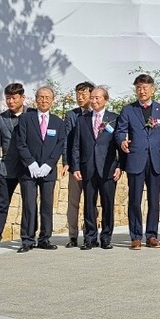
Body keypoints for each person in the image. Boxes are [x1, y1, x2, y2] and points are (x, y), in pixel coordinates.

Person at [115, 74, 160, 250]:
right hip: (135, 159)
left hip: (156, 161)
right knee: (134, 200)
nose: (142, 91)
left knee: (154, 201)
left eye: (145, 87)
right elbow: (120, 131)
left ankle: (152, 235)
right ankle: (136, 236)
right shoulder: (128, 110)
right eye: (138, 88)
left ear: (152, 89)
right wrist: (122, 141)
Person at [15, 87, 66, 253]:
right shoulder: (25, 119)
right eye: (41, 97)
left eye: (47, 98)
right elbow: (21, 143)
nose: (44, 100)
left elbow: (60, 145)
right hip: (28, 171)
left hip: (48, 171)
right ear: (36, 99)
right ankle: (27, 240)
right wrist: (31, 163)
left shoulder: (58, 122)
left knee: (47, 205)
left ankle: (45, 238)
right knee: (29, 205)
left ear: (52, 100)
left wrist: (49, 164)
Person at [71, 86, 120, 250]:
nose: (93, 101)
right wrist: (76, 167)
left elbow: (120, 145)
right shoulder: (82, 120)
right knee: (89, 204)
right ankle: (90, 238)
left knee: (108, 204)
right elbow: (76, 146)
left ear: (106, 99)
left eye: (97, 98)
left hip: (108, 169)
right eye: (91, 97)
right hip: (88, 168)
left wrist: (120, 166)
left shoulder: (114, 119)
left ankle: (106, 237)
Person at [0, 83, 29, 252]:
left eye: (14, 98)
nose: (11, 101)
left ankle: (27, 238)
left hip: (28, 168)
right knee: (2, 203)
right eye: (8, 98)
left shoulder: (32, 115)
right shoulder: (0, 119)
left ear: (22, 98)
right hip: (7, 168)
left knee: (29, 205)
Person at [63, 81, 94, 247]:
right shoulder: (71, 115)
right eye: (78, 94)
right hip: (75, 166)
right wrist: (67, 162)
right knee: (73, 203)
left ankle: (90, 234)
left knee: (92, 202)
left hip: (93, 166)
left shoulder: (98, 115)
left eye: (83, 94)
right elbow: (67, 140)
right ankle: (73, 236)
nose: (80, 98)